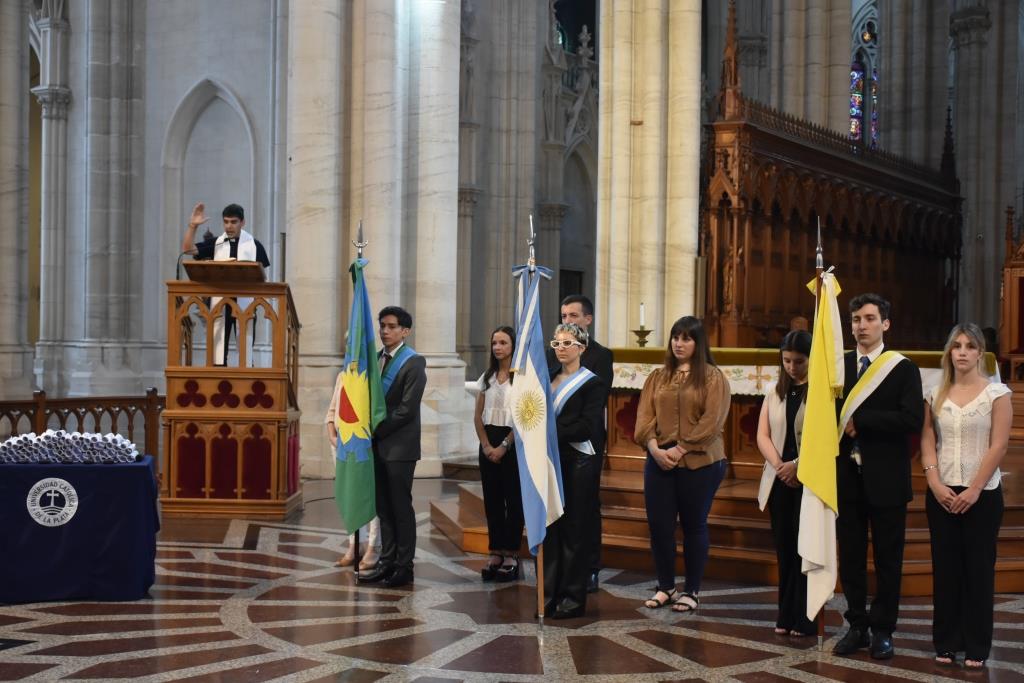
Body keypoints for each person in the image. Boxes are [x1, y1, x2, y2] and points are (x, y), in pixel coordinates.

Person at [832, 293, 923, 660]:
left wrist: (863, 422)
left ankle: (884, 628)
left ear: (885, 324)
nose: (861, 326)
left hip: (886, 478)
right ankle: (857, 625)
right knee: (851, 557)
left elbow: (911, 419)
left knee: (888, 559)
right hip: (846, 478)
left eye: (869, 318)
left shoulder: (902, 368)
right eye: (856, 319)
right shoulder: (839, 366)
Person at [921, 323, 1011, 669]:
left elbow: (999, 444)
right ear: (949, 352)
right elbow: (928, 440)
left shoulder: (997, 394)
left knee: (977, 570)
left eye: (969, 346)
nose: (962, 352)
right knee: (945, 570)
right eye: (956, 345)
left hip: (982, 495)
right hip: (941, 492)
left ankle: (976, 645)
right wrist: (934, 483)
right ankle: (946, 641)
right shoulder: (934, 392)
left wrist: (974, 489)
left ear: (980, 353)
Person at [633, 316, 731, 613]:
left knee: (693, 525)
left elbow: (712, 421)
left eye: (686, 338)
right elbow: (644, 419)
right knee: (660, 526)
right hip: (658, 460)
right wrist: (654, 449)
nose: (679, 343)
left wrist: (680, 449)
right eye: (676, 337)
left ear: (698, 343)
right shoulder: (657, 377)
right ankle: (665, 586)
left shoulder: (713, 377)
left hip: (700, 462)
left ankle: (691, 590)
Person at [546, 294, 613, 593]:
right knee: (558, 511)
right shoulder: (553, 355)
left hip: (584, 447)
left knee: (585, 510)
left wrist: (555, 430)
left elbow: (591, 410)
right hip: (554, 449)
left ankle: (589, 568)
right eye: (564, 315)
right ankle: (558, 571)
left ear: (588, 319)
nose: (568, 321)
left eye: (574, 316)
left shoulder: (600, 355)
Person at [357, 306, 427, 589]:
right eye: (382, 326)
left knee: (400, 508)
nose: (384, 331)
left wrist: (375, 430)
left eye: (391, 326)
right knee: (383, 508)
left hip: (400, 448)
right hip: (377, 446)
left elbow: (407, 410)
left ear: (405, 331)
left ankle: (403, 567)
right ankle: (386, 563)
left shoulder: (414, 363)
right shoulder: (376, 359)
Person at [756, 330, 815, 636]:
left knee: (804, 549)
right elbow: (762, 435)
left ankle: (804, 617)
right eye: (787, 361)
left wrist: (798, 465)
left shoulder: (819, 391)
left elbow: (823, 439)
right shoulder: (774, 390)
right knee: (784, 549)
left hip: (808, 480)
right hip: (779, 478)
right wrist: (780, 466)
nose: (792, 367)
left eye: (799, 361)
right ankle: (785, 613)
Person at [181, 202, 270, 366]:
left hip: (245, 304)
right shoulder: (217, 243)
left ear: (242, 222)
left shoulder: (254, 245)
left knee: (245, 357)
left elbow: (262, 277)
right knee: (218, 356)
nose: (229, 226)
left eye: (234, 222)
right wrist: (193, 226)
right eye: (226, 222)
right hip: (220, 303)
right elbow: (188, 250)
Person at [473, 326, 524, 582]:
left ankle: (512, 553)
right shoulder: (488, 376)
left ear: (513, 346)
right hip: (488, 443)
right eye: (495, 342)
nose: (498, 347)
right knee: (492, 500)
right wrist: (486, 446)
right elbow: (477, 416)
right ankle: (495, 550)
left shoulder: (522, 377)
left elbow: (524, 418)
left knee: (513, 501)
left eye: (503, 342)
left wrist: (504, 445)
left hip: (513, 443)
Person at [325, 371, 381, 571]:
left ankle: (373, 546)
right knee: (350, 495)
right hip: (341, 445)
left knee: (368, 495)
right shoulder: (342, 376)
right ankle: (354, 545)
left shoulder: (372, 376)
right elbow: (332, 412)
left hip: (363, 445)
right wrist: (332, 436)